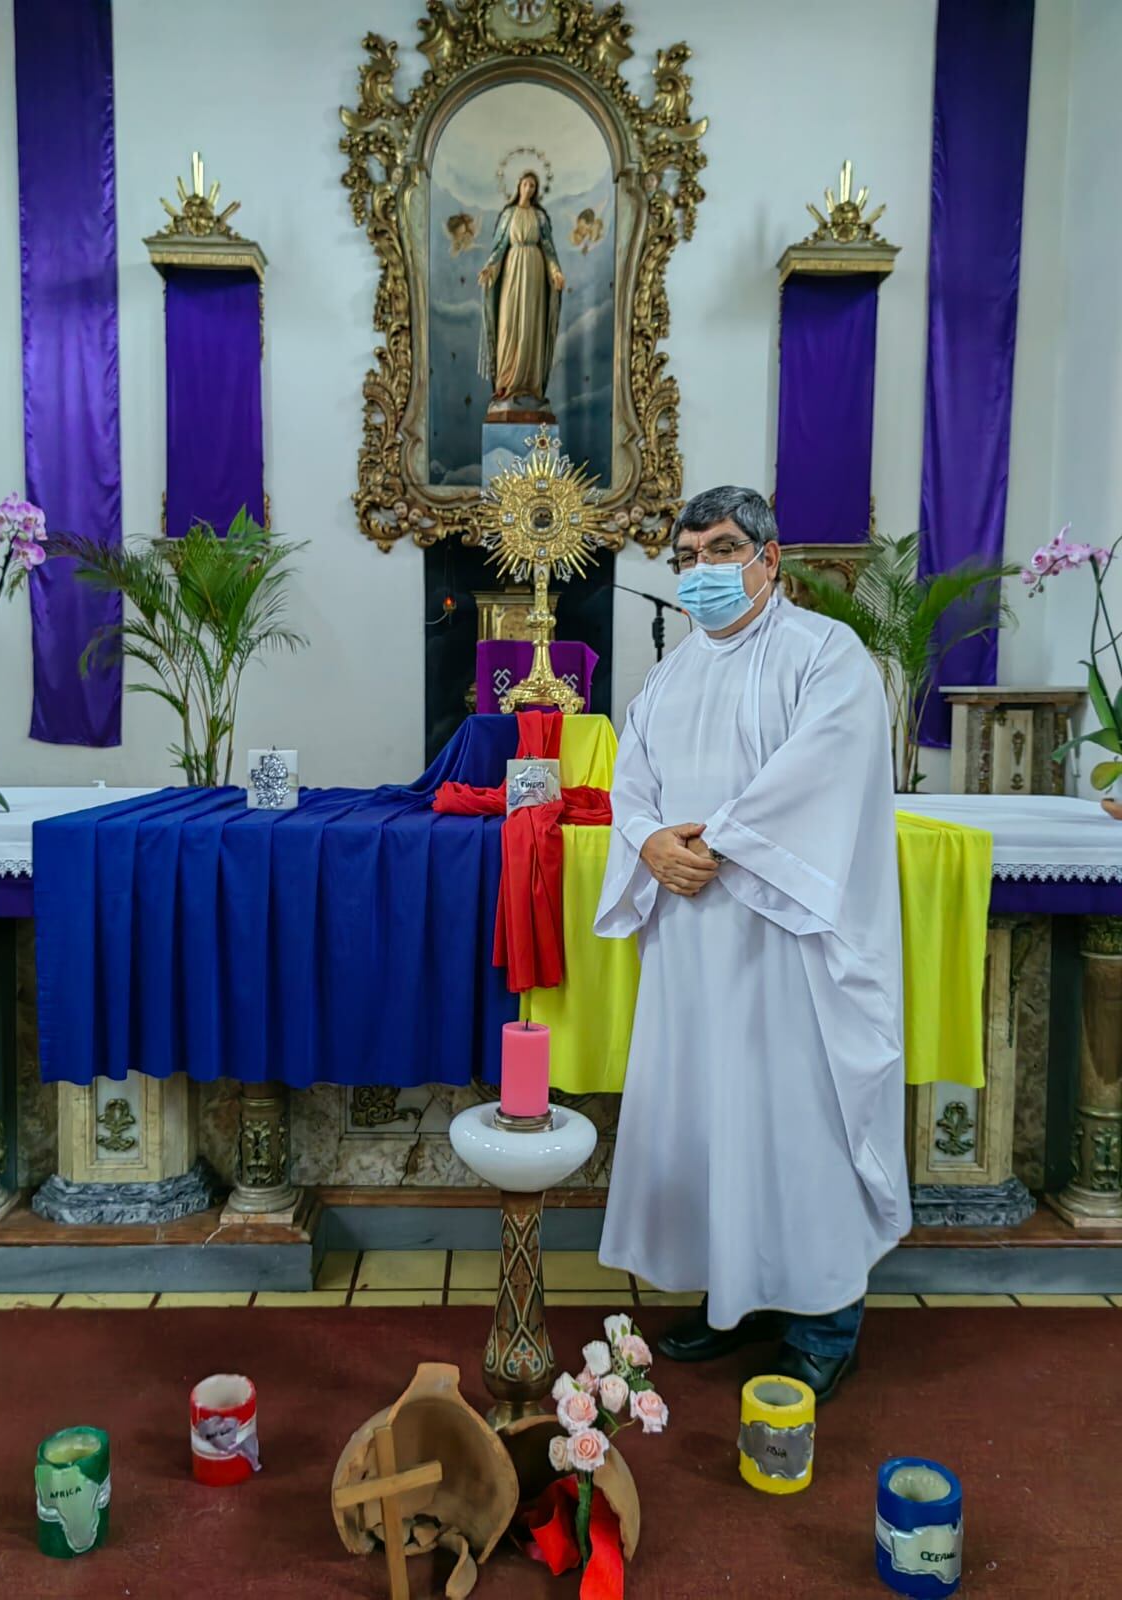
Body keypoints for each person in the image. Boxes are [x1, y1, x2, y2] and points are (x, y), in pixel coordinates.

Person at [594, 485, 911, 1403]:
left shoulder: (827, 655)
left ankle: (822, 1319)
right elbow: (632, 781)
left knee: (794, 1123)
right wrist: (649, 842)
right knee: (715, 1123)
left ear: (770, 559)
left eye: (724, 550)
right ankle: (734, 1297)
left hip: (788, 950)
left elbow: (826, 772)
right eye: (688, 557)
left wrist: (714, 844)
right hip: (694, 946)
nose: (704, 572)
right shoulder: (669, 676)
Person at [478, 171, 565, 409]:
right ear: (519, 186)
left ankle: (530, 385)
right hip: (512, 271)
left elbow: (548, 248)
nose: (529, 189)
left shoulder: (539, 217)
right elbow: (499, 247)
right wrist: (489, 269)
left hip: (535, 274)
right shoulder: (508, 215)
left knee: (531, 326)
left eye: (533, 186)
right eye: (526, 184)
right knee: (508, 325)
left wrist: (556, 272)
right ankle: (505, 383)